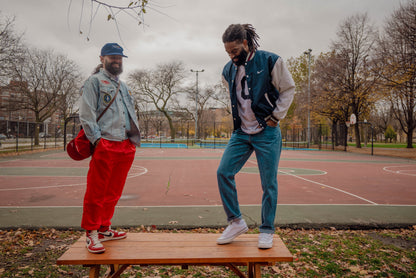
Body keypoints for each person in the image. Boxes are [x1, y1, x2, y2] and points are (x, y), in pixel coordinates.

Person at [216, 24, 295, 249]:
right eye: (227, 52)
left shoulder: (271, 60)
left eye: (234, 51)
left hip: (267, 132)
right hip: (242, 133)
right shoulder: (227, 70)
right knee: (223, 172)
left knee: (268, 183)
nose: (231, 56)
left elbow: (288, 89)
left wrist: (275, 117)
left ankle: (267, 229)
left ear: (245, 44)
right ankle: (236, 221)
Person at [79, 43, 141, 254]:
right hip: (106, 143)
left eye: (120, 57)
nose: (117, 60)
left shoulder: (123, 85)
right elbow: (86, 115)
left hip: (125, 144)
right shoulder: (94, 82)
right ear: (102, 58)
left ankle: (104, 227)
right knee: (97, 190)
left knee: (114, 191)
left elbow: (128, 112)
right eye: (113, 57)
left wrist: (133, 140)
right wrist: (97, 141)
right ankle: (91, 233)